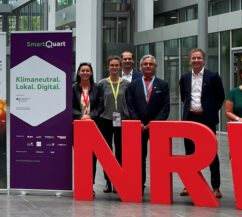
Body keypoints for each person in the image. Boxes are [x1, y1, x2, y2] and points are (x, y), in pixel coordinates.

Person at [179, 48, 225, 199]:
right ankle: (190, 184)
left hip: (207, 119)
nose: (196, 60)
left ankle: (216, 187)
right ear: (190, 60)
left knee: (211, 153)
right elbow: (183, 96)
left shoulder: (213, 76)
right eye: (194, 58)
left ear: (203, 60)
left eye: (199, 58)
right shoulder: (184, 77)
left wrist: (211, 110)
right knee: (189, 153)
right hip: (190, 118)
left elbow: (220, 96)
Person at [126, 54, 170, 193]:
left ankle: (159, 185)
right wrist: (136, 122)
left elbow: (166, 106)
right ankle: (140, 184)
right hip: (138, 127)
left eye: (151, 64)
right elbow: (130, 105)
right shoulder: (133, 85)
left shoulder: (163, 85)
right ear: (141, 67)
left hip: (156, 127)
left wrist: (155, 123)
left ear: (155, 67)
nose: (148, 66)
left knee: (159, 158)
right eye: (145, 64)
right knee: (139, 158)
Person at [94, 56, 129, 193]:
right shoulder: (102, 84)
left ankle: (119, 181)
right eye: (112, 65)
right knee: (107, 153)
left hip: (122, 120)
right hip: (105, 120)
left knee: (120, 152)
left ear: (120, 67)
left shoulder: (126, 83)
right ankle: (109, 182)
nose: (114, 68)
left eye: (116, 65)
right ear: (108, 67)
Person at [72, 62, 102, 192]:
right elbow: (69, 106)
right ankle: (81, 184)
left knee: (92, 157)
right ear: (79, 72)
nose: (85, 73)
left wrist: (90, 116)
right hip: (77, 126)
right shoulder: (73, 88)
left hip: (92, 125)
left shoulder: (97, 88)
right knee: (80, 156)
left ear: (91, 73)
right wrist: (80, 116)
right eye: (82, 70)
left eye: (87, 70)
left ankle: (90, 185)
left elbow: (101, 106)